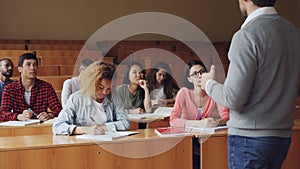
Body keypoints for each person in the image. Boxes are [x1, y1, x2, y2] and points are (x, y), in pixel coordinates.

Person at [200, 0, 300, 168]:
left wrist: (208, 84)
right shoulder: (294, 33)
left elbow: (232, 98)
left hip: (249, 139)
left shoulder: (246, 35)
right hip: (282, 136)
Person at [53, 61, 129, 135]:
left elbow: (125, 123)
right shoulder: (76, 99)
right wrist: (85, 130)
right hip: (82, 144)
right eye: (101, 87)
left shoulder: (114, 97)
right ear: (91, 83)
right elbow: (57, 126)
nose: (105, 92)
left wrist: (102, 128)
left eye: (109, 88)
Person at [0, 53, 62, 122]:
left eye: (35, 64)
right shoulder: (10, 89)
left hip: (40, 127)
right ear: (20, 69)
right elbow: (2, 113)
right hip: (19, 128)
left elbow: (59, 110)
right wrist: (18, 116)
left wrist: (50, 115)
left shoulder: (46, 87)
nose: (33, 68)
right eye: (28, 64)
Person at [170, 60, 229, 128]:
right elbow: (173, 120)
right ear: (189, 79)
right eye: (195, 74)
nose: (200, 76)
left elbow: (226, 117)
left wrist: (216, 122)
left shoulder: (214, 91)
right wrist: (199, 123)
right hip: (187, 136)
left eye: (202, 72)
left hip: (207, 135)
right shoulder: (183, 93)